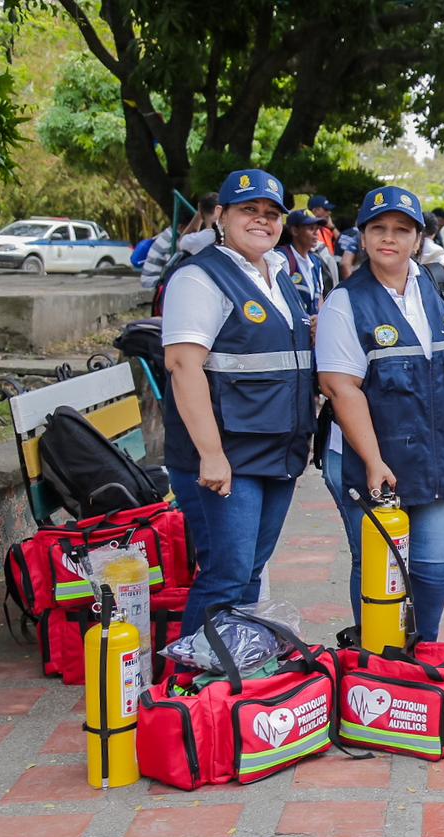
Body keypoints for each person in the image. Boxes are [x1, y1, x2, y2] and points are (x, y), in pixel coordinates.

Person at [315, 186, 444, 634]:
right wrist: (373, 461)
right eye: (378, 229)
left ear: (418, 238)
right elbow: (340, 387)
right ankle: (376, 667)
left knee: (434, 567)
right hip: (370, 459)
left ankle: (419, 660)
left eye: (401, 230)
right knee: (379, 571)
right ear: (363, 237)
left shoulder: (439, 289)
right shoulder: (345, 303)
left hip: (439, 455)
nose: (389, 238)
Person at [161, 169, 315, 637]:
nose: (262, 221)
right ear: (221, 215)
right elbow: (184, 366)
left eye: (271, 214)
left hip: (277, 450)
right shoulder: (199, 277)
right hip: (226, 456)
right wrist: (210, 453)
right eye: (249, 210)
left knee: (250, 573)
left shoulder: (278, 274)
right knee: (225, 576)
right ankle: (187, 686)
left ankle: (230, 681)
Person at [276, 210, 327, 316]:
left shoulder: (316, 262)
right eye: (311, 228)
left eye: (317, 229)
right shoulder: (281, 258)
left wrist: (319, 319)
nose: (316, 233)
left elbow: (319, 299)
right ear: (294, 231)